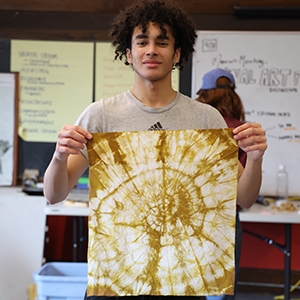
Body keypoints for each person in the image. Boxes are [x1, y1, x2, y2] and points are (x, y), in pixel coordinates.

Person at [43, 1, 267, 299]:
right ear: (128, 52)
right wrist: (59, 156)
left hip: (183, 281)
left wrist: (255, 159)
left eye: (162, 42)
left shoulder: (205, 118)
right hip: (114, 281)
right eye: (142, 41)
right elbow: (54, 193)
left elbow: (244, 197)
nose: (151, 50)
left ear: (176, 54)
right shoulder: (100, 116)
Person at [195, 68, 247, 300]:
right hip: (225, 220)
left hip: (190, 218)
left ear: (204, 95)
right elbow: (243, 189)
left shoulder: (192, 126)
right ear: (234, 96)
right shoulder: (241, 130)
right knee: (220, 292)